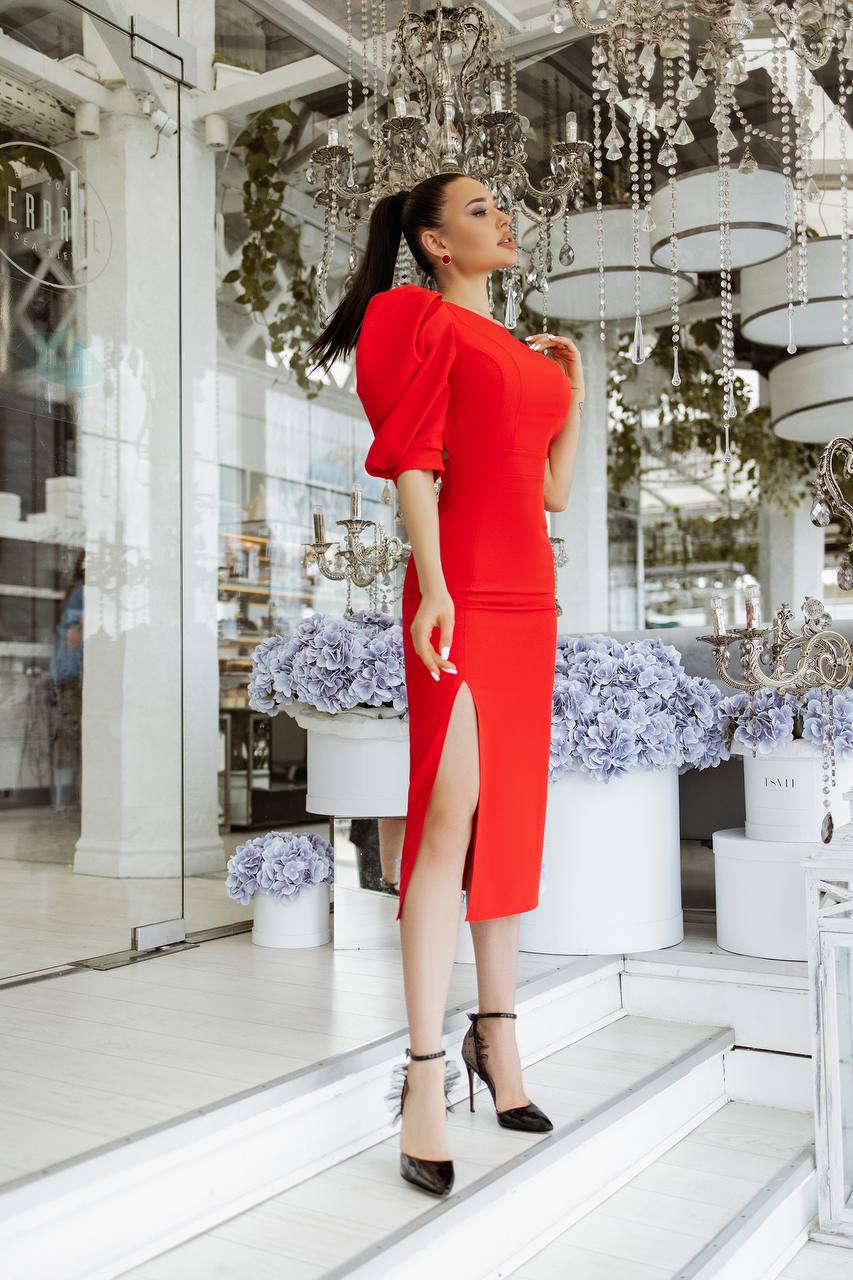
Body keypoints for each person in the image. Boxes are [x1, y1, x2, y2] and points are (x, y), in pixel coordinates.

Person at [306, 173, 585, 1197]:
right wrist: (429, 587)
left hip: (530, 596)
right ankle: (426, 1071)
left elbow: (549, 488)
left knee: (509, 820)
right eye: (478, 210)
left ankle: (498, 1040)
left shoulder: (523, 351)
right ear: (430, 240)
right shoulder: (407, 315)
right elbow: (415, 460)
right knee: (445, 819)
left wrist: (579, 394)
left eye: (502, 207)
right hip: (459, 587)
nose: (502, 217)